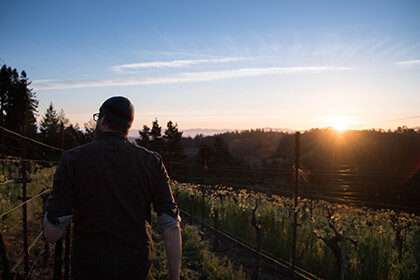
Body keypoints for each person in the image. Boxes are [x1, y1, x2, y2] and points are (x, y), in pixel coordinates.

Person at [43, 96, 181, 280]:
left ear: (102, 120)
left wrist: (48, 212)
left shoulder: (72, 159)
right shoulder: (152, 162)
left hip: (89, 268)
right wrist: (174, 277)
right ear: (128, 126)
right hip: (136, 267)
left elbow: (53, 233)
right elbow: (171, 226)